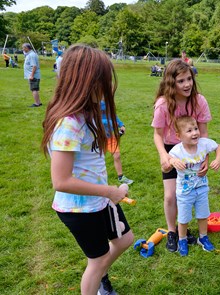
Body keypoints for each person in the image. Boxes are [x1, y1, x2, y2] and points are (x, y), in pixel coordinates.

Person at [41, 44, 134, 295]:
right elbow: (61, 181)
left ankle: (100, 274)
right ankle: (98, 281)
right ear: (83, 81)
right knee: (97, 261)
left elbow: (90, 153)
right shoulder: (68, 123)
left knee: (125, 240)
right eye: (101, 81)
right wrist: (109, 191)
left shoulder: (87, 113)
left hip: (99, 200)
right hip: (79, 208)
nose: (105, 88)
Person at [151, 59, 212, 253]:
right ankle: (172, 231)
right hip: (172, 150)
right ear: (171, 83)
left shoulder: (199, 101)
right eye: (181, 81)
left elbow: (203, 134)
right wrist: (164, 156)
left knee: (194, 193)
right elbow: (158, 135)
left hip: (194, 148)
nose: (187, 84)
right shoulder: (163, 104)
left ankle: (187, 230)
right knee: (170, 197)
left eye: (189, 79)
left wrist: (205, 158)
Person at [168, 116, 220, 256]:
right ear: (179, 136)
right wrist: (173, 161)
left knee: (203, 215)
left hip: (202, 188)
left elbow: (218, 147)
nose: (195, 133)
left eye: (196, 129)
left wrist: (218, 159)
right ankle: (182, 239)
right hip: (185, 192)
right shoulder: (177, 151)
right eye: (189, 131)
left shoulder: (204, 143)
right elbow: (167, 160)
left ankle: (203, 237)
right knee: (183, 218)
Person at [101, 100, 134, 185]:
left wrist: (121, 125)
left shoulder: (108, 102)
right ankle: (97, 175)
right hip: (99, 137)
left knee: (117, 155)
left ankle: (121, 176)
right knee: (99, 157)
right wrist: (108, 123)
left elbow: (113, 116)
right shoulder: (94, 102)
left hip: (110, 137)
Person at [22, 43, 42, 107]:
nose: (23, 49)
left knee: (34, 89)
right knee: (34, 89)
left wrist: (32, 75)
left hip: (33, 75)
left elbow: (34, 66)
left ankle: (37, 103)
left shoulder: (32, 55)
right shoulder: (30, 54)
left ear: (27, 48)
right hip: (32, 75)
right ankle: (38, 102)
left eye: (23, 48)